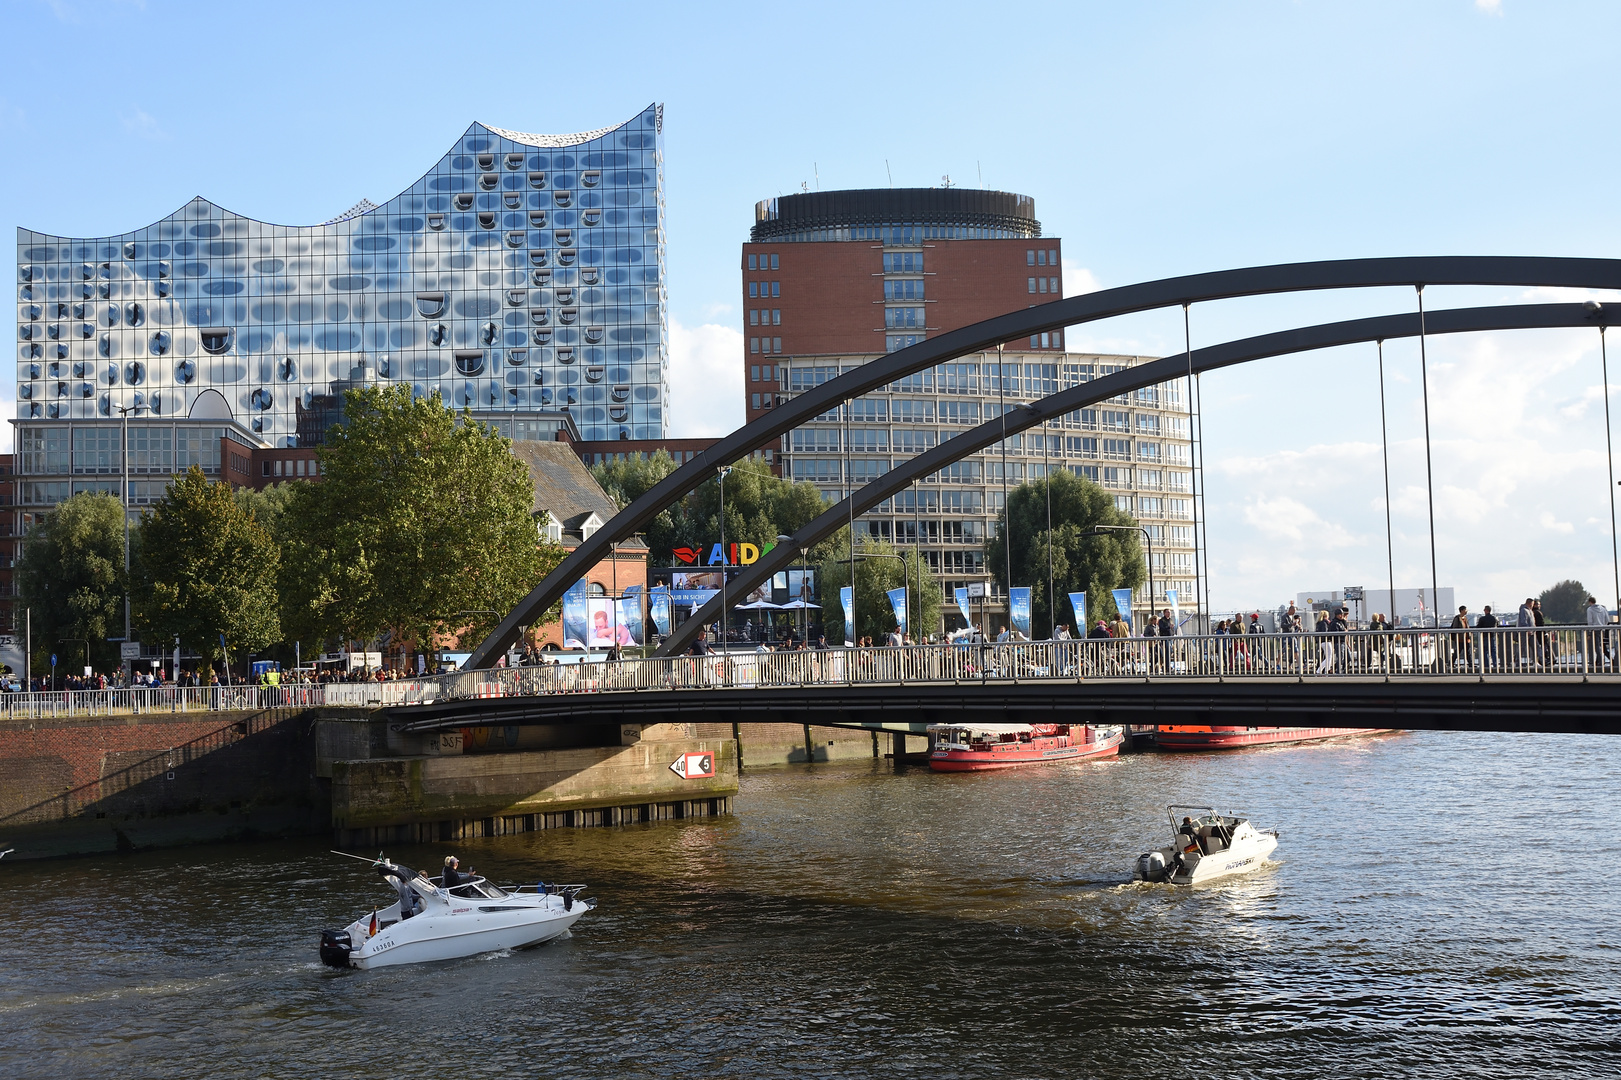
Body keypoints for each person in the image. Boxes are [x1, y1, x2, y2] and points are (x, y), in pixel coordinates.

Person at [1477, 604, 1500, 671]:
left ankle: (1486, 666)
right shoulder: (1494, 618)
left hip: (1484, 636)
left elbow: (1478, 627)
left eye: (1484, 610)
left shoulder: (1482, 619)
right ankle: (1495, 664)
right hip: (1492, 636)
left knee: (1485, 651)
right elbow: (1497, 625)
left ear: (1486, 610)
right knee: (1493, 651)